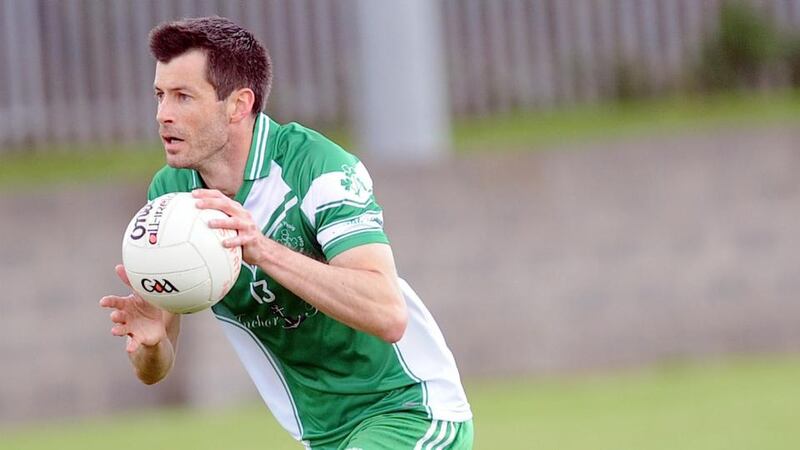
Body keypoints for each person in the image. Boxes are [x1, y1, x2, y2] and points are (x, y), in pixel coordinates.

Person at [99, 16, 472, 450]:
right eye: (161, 95)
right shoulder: (170, 194)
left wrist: (260, 249)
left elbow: (387, 314)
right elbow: (155, 370)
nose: (163, 114)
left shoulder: (318, 168)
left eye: (183, 96)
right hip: (320, 434)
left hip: (408, 409)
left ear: (238, 104)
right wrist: (149, 341)